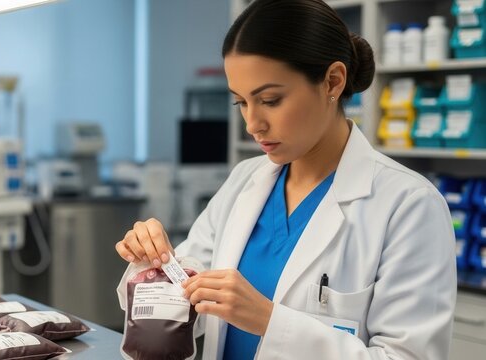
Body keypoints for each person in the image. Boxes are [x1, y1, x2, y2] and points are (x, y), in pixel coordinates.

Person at [115, 0, 456, 359]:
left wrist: (269, 321)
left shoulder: (409, 205)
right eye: (241, 103)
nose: (252, 124)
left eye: (270, 100)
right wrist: (154, 264)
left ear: (332, 81)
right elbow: (186, 300)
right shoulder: (245, 180)